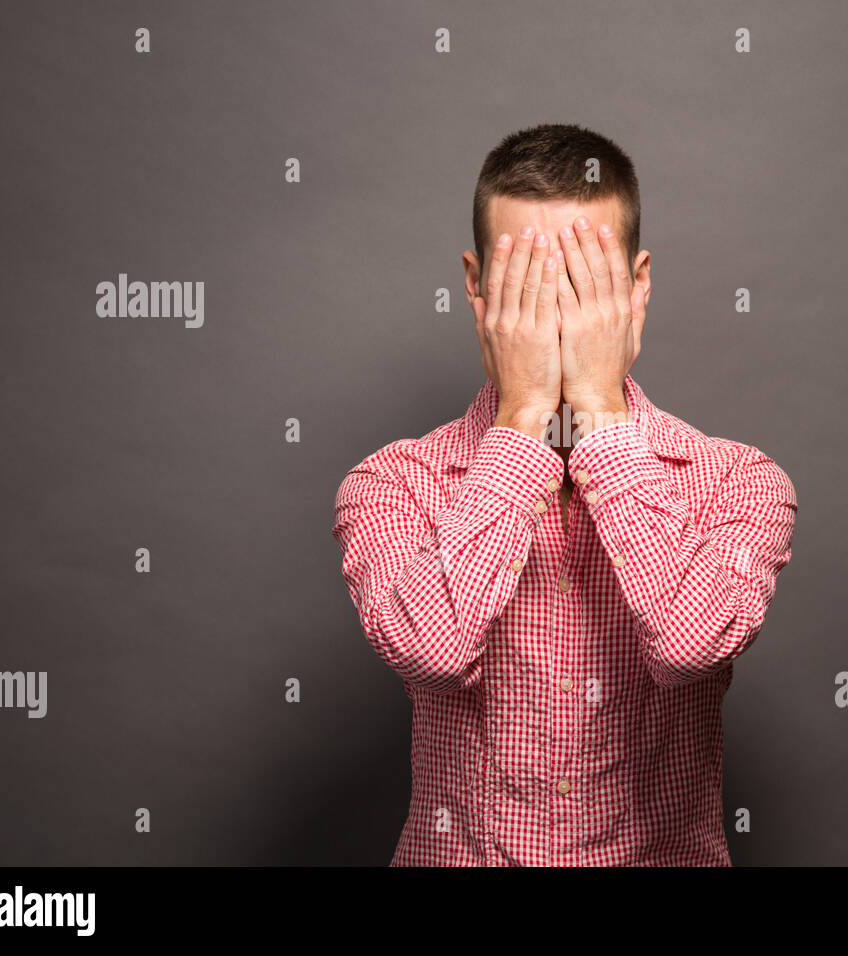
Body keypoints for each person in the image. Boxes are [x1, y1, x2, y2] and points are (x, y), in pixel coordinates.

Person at [331, 123, 798, 865]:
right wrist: (522, 421)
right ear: (477, 287)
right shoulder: (392, 484)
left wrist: (599, 413)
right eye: (525, 286)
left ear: (637, 288)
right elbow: (434, 652)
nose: (554, 318)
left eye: (583, 286)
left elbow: (689, 646)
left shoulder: (740, 483)